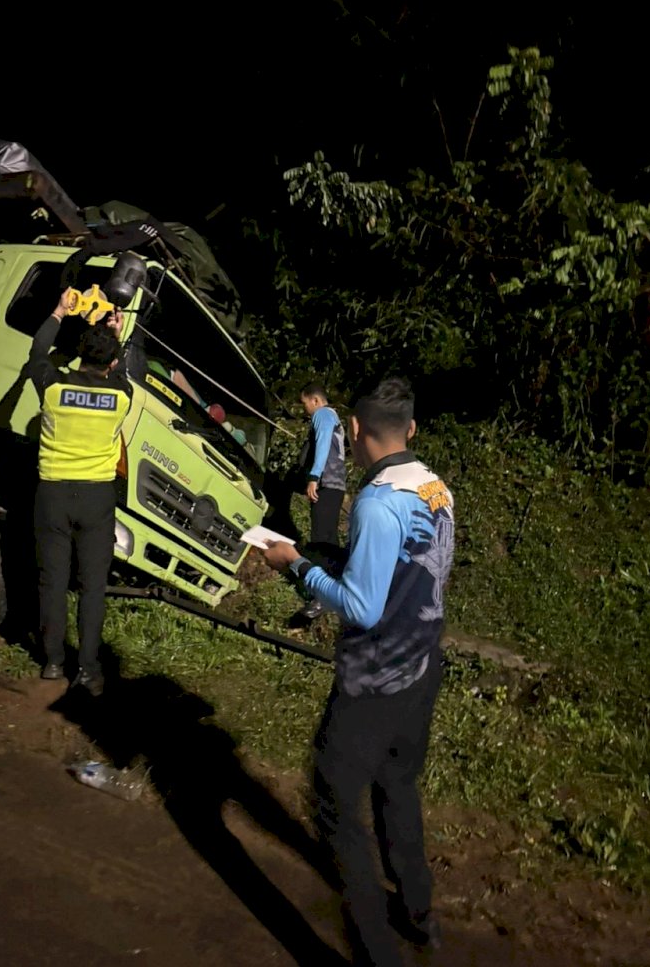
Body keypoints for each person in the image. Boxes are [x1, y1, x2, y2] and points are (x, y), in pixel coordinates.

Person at [262, 378, 454, 967]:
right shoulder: (434, 486)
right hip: (421, 672)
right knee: (397, 788)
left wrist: (298, 567)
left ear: (353, 430)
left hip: (371, 684)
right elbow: (408, 569)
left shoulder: (374, 501)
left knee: (336, 806)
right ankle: (418, 914)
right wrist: (340, 561)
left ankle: (375, 954)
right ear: (412, 430)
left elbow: (365, 607)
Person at [27, 289, 132, 697]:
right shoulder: (121, 397)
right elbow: (122, 371)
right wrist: (116, 331)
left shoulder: (52, 387)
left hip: (52, 495)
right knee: (92, 587)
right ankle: (87, 669)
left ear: (77, 354)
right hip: (97, 500)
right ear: (111, 362)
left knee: (51, 581)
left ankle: (52, 661)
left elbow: (37, 353)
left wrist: (58, 312)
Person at [295, 381, 346, 622]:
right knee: (328, 539)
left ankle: (322, 597)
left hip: (326, 483)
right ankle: (335, 590)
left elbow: (323, 443)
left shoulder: (323, 415)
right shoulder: (334, 417)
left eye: (305, 403)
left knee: (321, 540)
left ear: (314, 400)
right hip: (335, 485)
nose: (305, 409)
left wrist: (314, 476)